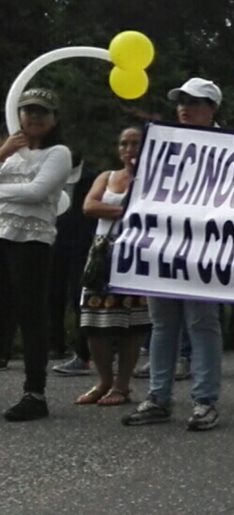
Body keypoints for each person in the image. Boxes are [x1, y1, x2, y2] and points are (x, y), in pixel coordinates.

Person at [123, 78, 226, 431]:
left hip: (204, 249)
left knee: (201, 323)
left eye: (194, 101)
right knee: (163, 324)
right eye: (180, 100)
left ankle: (204, 400)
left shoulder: (233, 146)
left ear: (211, 108)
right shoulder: (162, 143)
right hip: (162, 245)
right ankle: (157, 396)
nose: (184, 107)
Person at [0, 88, 72, 421]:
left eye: (42, 112)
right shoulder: (9, 151)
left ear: (54, 118)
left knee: (31, 315)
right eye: (28, 111)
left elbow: (37, 192)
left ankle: (35, 392)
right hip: (2, 235)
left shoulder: (59, 153)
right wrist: (2, 153)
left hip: (33, 242)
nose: (34, 117)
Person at [74, 127, 151, 407]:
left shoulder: (153, 179)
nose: (129, 148)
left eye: (135, 143)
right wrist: (126, 211)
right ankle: (103, 380)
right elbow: (89, 206)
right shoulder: (107, 177)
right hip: (102, 251)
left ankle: (122, 384)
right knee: (94, 321)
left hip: (135, 252)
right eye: (124, 143)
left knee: (132, 321)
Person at [49, 151, 97, 373]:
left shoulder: (91, 177)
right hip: (53, 240)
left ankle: (83, 352)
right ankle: (54, 344)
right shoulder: (52, 173)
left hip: (83, 244)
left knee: (79, 297)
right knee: (53, 294)